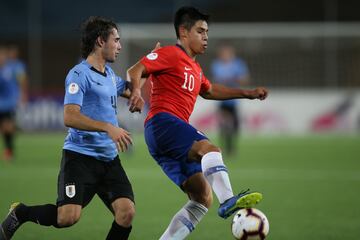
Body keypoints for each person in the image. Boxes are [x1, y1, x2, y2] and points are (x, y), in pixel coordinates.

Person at [127, 6, 268, 240]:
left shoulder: (195, 67)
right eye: (200, 31)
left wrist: (248, 93)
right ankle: (228, 200)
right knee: (209, 149)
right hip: (163, 122)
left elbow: (210, 90)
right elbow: (136, 69)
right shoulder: (171, 54)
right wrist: (136, 92)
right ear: (184, 32)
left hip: (164, 138)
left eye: (207, 32)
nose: (206, 37)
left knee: (202, 197)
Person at [0, 16, 145, 240]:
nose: (120, 45)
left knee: (126, 213)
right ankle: (21, 213)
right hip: (80, 158)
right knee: (67, 218)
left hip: (108, 159)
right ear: (100, 41)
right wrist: (108, 127)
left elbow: (130, 86)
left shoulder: (109, 76)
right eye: (116, 40)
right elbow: (69, 116)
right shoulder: (79, 74)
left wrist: (143, 79)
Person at [211, 45, 250, 157]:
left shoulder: (238, 64)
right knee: (224, 125)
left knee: (235, 126)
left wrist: (233, 79)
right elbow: (216, 80)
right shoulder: (217, 64)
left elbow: (244, 79)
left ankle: (231, 147)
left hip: (234, 100)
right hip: (221, 99)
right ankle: (224, 147)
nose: (225, 55)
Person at [0, 44, 28, 161]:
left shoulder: (12, 68)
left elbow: (22, 80)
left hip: (8, 103)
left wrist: (22, 95)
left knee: (8, 127)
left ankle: (9, 151)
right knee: (5, 127)